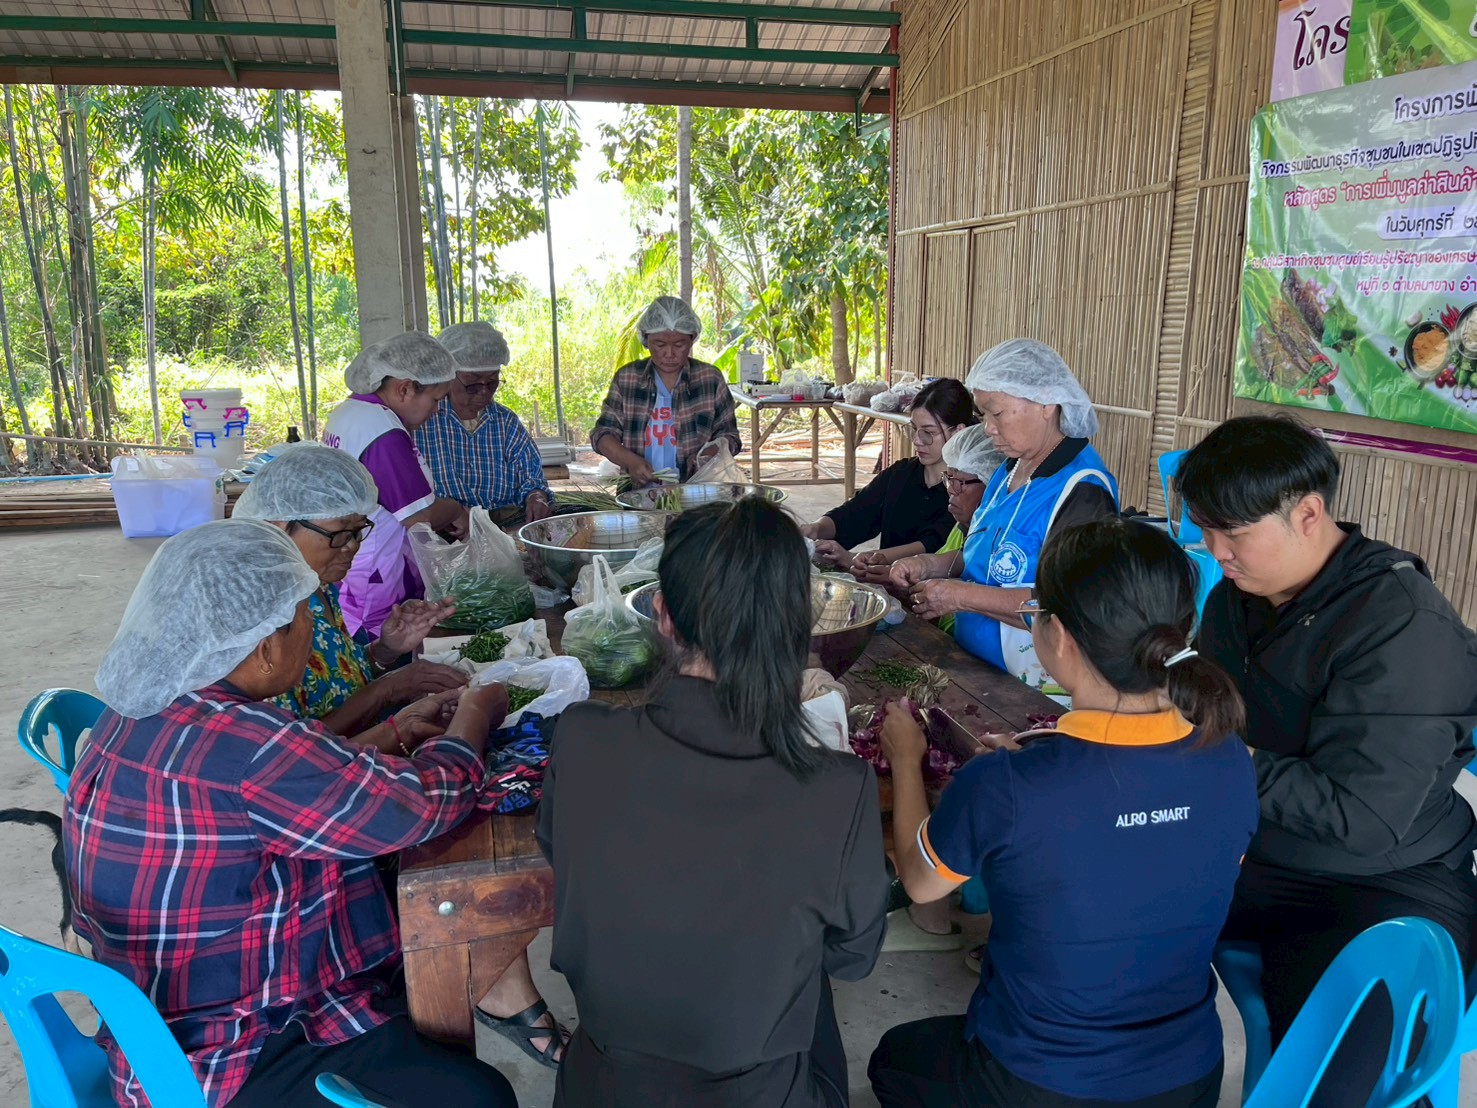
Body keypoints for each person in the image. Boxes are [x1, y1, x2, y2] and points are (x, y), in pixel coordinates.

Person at [62, 519, 517, 1108]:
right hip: (233, 1056)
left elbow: (288, 781)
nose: (312, 628)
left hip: (159, 1029)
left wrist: (394, 730)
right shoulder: (250, 744)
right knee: (478, 1094)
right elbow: (427, 804)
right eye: (304, 613)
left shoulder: (136, 709)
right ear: (263, 643)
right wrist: (475, 715)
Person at [869, 517, 1258, 1107]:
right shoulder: (1229, 756)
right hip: (1188, 1080)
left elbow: (922, 885)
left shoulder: (1007, 785)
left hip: (1039, 1083)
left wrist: (905, 757)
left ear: (1061, 638)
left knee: (895, 1059)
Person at [537, 498, 890, 1106]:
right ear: (801, 624)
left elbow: (559, 850)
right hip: (761, 1093)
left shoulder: (582, 736)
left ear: (664, 616)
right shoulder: (839, 786)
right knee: (806, 977)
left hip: (602, 1086)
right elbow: (853, 958)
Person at [233, 441, 570, 1067]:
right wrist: (405, 706)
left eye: (361, 532)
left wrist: (388, 652)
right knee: (461, 835)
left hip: (325, 784)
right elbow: (291, 764)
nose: (354, 550)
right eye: (340, 536)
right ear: (280, 527)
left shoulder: (310, 583)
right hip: (308, 839)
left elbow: (334, 691)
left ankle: (503, 985)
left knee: (484, 797)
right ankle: (479, 983)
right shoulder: (250, 614)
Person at [1178, 415, 1477, 1102]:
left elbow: (1364, 818)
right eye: (1204, 528)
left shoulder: (1402, 627)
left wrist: (1218, 757)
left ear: (1307, 513)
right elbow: (1205, 696)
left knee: (1332, 1083)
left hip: (1382, 881)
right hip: (1260, 854)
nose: (1213, 550)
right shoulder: (1235, 600)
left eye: (1233, 532)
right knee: (1093, 917)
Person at [890, 340, 1118, 700]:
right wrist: (930, 564)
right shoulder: (1009, 469)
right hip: (982, 672)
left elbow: (1065, 606)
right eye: (984, 415)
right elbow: (989, 552)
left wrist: (962, 597)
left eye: (997, 413)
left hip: (1036, 688)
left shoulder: (1082, 490)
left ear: (1045, 403)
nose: (989, 428)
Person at [322, 331, 471, 638]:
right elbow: (419, 519)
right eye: (436, 399)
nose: (437, 410)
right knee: (381, 655)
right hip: (374, 578)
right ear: (405, 389)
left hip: (354, 566)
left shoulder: (350, 412)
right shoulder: (383, 433)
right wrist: (457, 509)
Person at [803, 378, 978, 580]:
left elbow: (933, 544)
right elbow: (855, 513)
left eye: (928, 432)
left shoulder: (967, 487)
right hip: (887, 588)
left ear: (959, 432)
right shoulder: (901, 473)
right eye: (913, 429)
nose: (917, 440)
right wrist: (816, 529)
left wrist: (858, 558)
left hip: (932, 595)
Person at [591, 295, 742, 486]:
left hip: (695, 493)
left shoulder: (709, 379)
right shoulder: (628, 379)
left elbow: (730, 437)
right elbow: (602, 434)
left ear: (692, 338)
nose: (669, 353)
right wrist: (630, 462)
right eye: (660, 344)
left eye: (679, 345)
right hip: (639, 495)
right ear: (646, 339)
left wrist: (708, 456)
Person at [415, 321, 555, 526]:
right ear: (447, 376)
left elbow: (531, 476)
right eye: (472, 385)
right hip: (446, 527)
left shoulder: (505, 422)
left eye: (492, 383)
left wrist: (536, 496)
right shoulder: (423, 422)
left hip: (502, 524)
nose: (484, 393)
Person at [918, 423, 1000, 634]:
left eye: (961, 482)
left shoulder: (999, 540)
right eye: (948, 478)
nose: (951, 490)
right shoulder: (961, 528)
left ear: (993, 485)